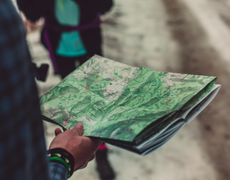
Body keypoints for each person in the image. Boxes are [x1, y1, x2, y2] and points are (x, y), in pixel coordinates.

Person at [0, 0, 101, 179]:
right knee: (75, 99)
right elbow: (31, 13)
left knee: (98, 99)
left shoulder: (5, 18)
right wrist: (62, 159)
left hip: (89, 42)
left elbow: (105, 6)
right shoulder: (5, 19)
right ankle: (79, 138)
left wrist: (61, 159)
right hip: (60, 46)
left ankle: (101, 151)